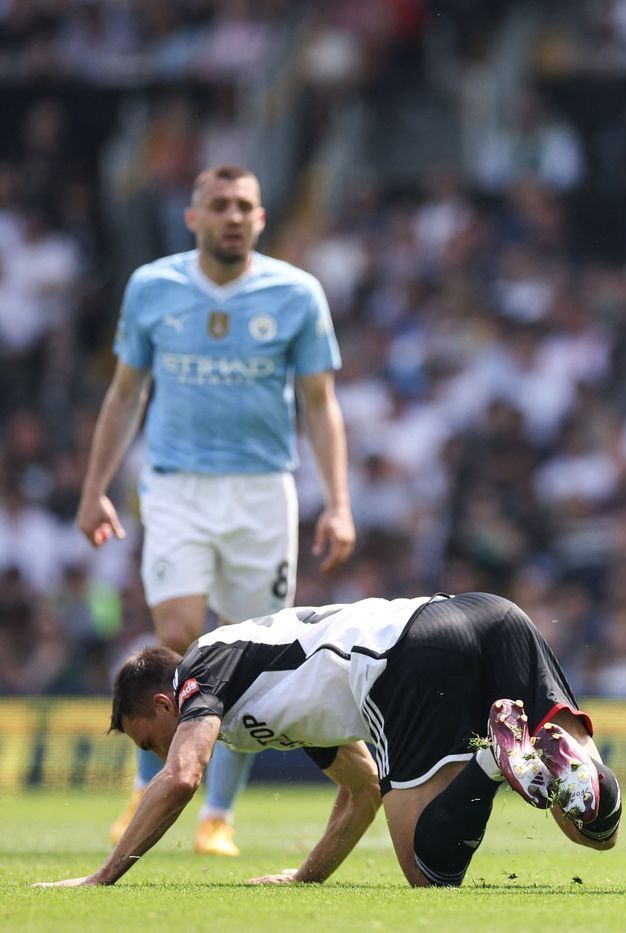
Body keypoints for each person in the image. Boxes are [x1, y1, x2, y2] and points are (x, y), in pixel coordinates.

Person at [75, 164, 357, 857]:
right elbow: (124, 394)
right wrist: (94, 486)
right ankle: (151, 789)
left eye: (245, 207)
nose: (233, 216)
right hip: (175, 485)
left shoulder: (296, 292)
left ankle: (217, 814)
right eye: (220, 205)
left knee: (249, 652)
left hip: (264, 489)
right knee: (175, 631)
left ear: (260, 220)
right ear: (192, 216)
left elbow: (321, 405)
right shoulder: (153, 287)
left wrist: (339, 503)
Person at [34, 592, 621, 888]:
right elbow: (362, 789)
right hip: (491, 613)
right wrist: (306, 876)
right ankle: (554, 760)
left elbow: (184, 775)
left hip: (402, 654)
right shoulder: (278, 698)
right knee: (593, 829)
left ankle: (495, 761)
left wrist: (100, 878)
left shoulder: (199, 668)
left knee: (428, 874)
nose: (159, 756)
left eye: (149, 742)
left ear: (166, 703)